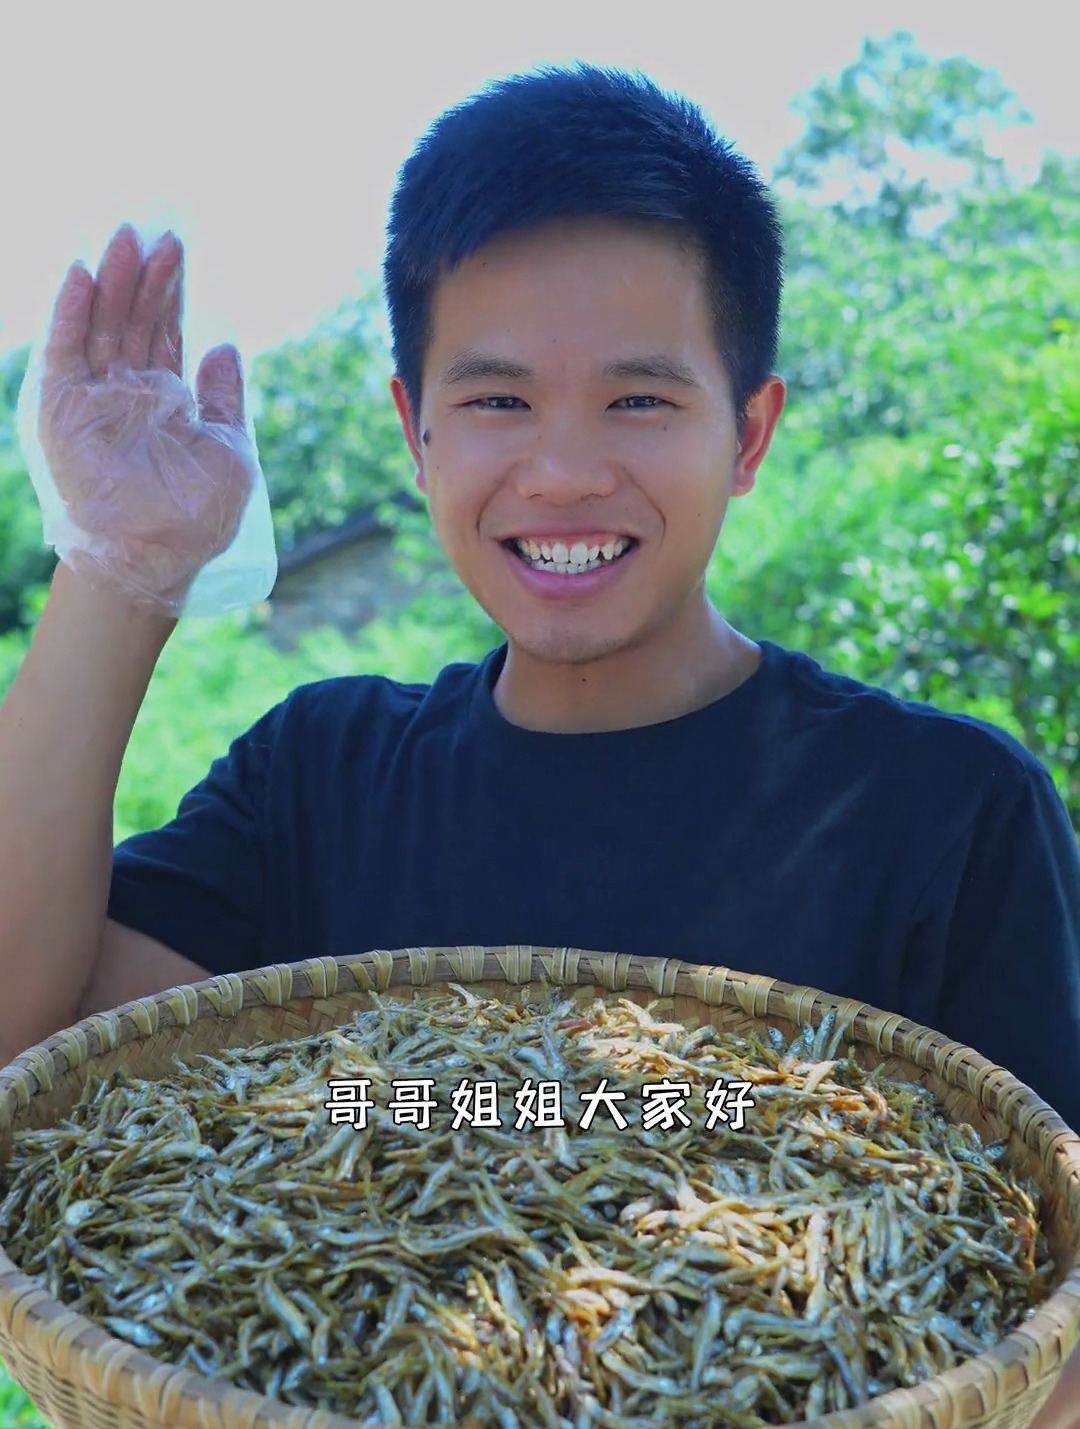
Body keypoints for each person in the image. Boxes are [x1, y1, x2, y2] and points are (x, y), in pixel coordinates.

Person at [0, 64, 1078, 1425]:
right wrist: (122, 566)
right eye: (499, 401)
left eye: (640, 401)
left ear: (749, 434)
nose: (563, 472)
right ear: (415, 430)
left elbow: (1045, 1302)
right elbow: (24, 1036)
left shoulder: (946, 809)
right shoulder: (320, 778)